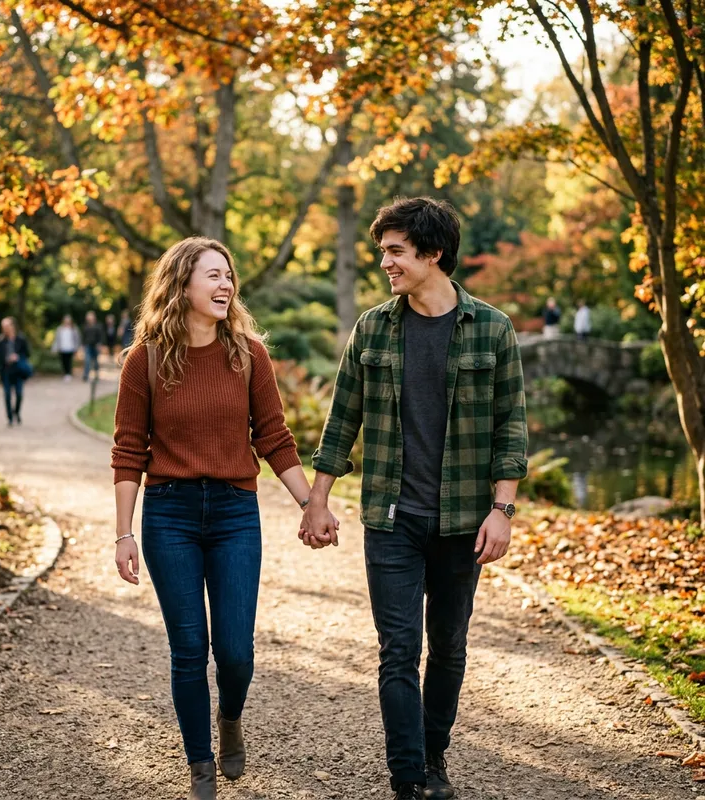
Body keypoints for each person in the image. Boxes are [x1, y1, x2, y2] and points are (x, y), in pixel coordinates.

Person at [299, 197, 528, 800]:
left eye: (396, 251)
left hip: (461, 522)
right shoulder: (372, 328)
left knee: (449, 645)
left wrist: (502, 510)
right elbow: (340, 420)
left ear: (432, 254)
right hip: (391, 519)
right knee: (398, 649)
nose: (386, 263)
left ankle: (433, 757)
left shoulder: (493, 329)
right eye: (383, 252)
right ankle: (408, 778)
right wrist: (317, 501)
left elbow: (511, 427)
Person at [110, 237, 339, 800]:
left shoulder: (248, 354)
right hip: (171, 516)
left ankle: (230, 717)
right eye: (212, 275)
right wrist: (123, 533)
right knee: (188, 648)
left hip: (236, 513)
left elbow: (275, 437)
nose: (225, 285)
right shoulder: (146, 359)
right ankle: (200, 765)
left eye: (229, 276)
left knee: (235, 651)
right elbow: (127, 449)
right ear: (181, 283)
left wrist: (312, 503)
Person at [0, 317, 31, 427]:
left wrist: (17, 357)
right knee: (7, 395)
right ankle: (10, 418)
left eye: (7, 326)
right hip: (6, 371)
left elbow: (28, 353)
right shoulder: (0, 340)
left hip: (18, 371)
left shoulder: (21, 339)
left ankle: (17, 412)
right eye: (3, 327)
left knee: (19, 394)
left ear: (12, 326)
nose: (5, 329)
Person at [51, 314, 81, 381]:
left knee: (69, 361)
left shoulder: (74, 329)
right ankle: (65, 373)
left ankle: (69, 374)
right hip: (62, 348)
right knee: (63, 361)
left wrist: (77, 348)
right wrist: (54, 348)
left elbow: (77, 339)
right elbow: (57, 339)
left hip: (71, 348)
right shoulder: (60, 329)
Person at [82, 310, 104, 382]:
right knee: (87, 360)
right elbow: (84, 337)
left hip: (95, 345)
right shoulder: (85, 326)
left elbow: (101, 336)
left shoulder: (98, 326)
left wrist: (100, 344)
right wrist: (83, 345)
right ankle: (86, 375)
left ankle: (96, 375)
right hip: (88, 345)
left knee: (95, 361)